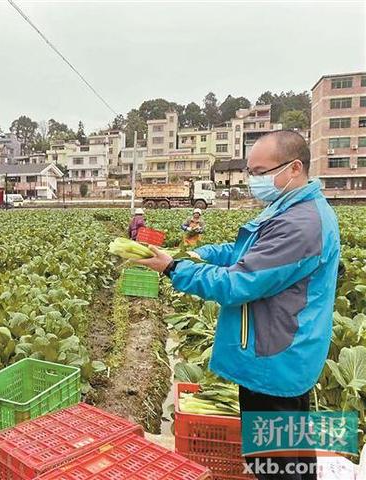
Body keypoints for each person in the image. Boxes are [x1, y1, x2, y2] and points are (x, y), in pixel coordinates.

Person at [136, 130, 340, 480]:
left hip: (275, 357)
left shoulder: (301, 224)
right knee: (285, 458)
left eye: (260, 172)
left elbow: (238, 283)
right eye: (250, 171)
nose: (252, 180)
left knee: (278, 467)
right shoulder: (288, 208)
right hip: (277, 351)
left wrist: (174, 268)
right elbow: (245, 254)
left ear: (293, 168)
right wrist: (201, 253)